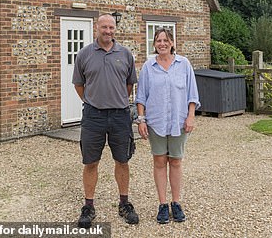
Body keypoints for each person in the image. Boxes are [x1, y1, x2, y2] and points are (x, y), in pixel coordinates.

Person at [72, 13, 139, 228]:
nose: (108, 31)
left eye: (111, 27)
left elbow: (129, 86)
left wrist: (114, 100)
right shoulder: (84, 54)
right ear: (96, 28)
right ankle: (89, 206)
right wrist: (94, 102)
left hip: (120, 115)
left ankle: (124, 203)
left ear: (115, 29)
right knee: (91, 162)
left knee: (122, 160)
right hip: (93, 116)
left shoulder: (126, 54)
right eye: (104, 27)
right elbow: (79, 85)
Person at [134, 28, 200, 224]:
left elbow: (192, 95)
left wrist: (191, 117)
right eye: (158, 40)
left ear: (172, 43)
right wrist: (141, 119)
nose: (162, 43)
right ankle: (163, 204)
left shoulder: (184, 64)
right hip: (156, 122)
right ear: (154, 44)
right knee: (160, 161)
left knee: (176, 161)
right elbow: (141, 97)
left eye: (165, 40)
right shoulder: (148, 66)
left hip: (179, 122)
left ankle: (176, 203)